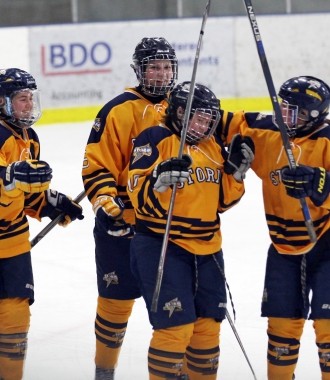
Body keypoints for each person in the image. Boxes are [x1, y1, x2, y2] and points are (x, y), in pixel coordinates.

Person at [127, 81, 255, 380]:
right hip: (162, 244)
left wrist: (236, 174)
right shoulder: (155, 137)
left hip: (208, 248)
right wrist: (158, 180)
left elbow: (222, 202)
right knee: (175, 328)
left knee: (207, 329)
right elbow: (137, 194)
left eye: (210, 118)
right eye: (198, 117)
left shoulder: (212, 147)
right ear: (179, 112)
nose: (205, 124)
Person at [217, 75, 330, 379]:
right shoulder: (264, 129)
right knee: (281, 330)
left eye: (295, 112)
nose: (284, 115)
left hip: (326, 244)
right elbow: (213, 118)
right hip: (282, 246)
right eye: (283, 107)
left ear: (315, 117)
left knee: (329, 329)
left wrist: (322, 185)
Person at [81, 37, 178, 379]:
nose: (161, 73)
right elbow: (96, 167)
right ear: (139, 70)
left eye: (167, 66)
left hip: (167, 226)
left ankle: (174, 369)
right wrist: (106, 202)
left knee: (175, 305)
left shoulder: (182, 109)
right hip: (122, 222)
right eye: (154, 66)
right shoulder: (117, 110)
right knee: (116, 301)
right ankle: (104, 370)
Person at [0, 68, 84, 380]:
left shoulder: (30, 139)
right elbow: (9, 181)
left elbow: (26, 192)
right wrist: (8, 177)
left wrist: (49, 203)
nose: (28, 105)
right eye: (21, 99)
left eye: (30, 98)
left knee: (15, 321)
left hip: (13, 243)